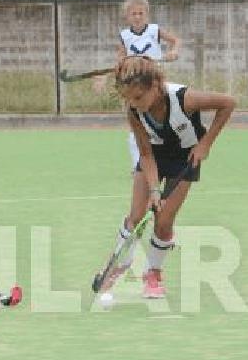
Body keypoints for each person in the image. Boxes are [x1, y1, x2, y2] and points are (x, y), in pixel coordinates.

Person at [101, 55, 235, 298]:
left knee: (163, 222)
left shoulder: (184, 98)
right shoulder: (134, 110)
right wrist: (154, 190)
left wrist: (206, 143)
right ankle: (119, 264)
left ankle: (153, 272)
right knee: (137, 214)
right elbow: (145, 153)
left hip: (186, 157)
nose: (134, 103)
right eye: (129, 98)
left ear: (155, 85)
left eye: (139, 97)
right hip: (154, 155)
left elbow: (228, 103)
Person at [115, 0, 181, 172]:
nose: (137, 17)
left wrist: (173, 52)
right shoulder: (124, 36)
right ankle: (138, 164)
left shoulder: (154, 30)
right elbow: (120, 59)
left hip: (155, 81)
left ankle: (168, 158)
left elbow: (176, 41)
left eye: (140, 13)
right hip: (135, 85)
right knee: (135, 123)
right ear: (127, 16)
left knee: (164, 118)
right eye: (133, 14)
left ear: (147, 14)